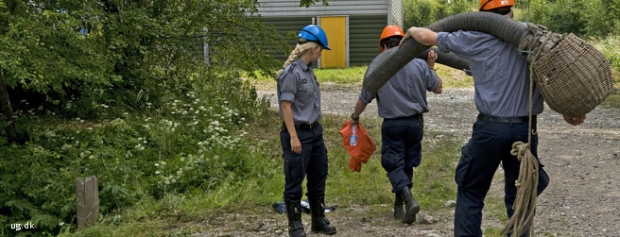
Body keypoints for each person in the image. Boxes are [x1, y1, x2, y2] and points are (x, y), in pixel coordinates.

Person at [400, 0, 587, 236]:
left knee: (471, 190)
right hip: (524, 131)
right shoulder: (534, 41)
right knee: (521, 196)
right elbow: (550, 81)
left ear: (481, 17)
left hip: (489, 129)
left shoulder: (475, 39)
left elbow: (428, 37)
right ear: (512, 12)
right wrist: (568, 110)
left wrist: (411, 30)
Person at [350, 25, 443, 224]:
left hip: (393, 124)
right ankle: (399, 206)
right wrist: (430, 67)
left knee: (393, 163)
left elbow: (364, 98)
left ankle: (408, 201)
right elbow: (438, 88)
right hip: (415, 123)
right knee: (408, 163)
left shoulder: (379, 69)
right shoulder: (419, 65)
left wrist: (355, 117)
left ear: (383, 46)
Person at [276, 25, 337, 237]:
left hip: (314, 133)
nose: (321, 55)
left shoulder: (309, 72)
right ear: (313, 49)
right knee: (294, 180)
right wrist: (293, 136)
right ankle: (295, 225)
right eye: (321, 50)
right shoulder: (291, 74)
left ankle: (318, 219)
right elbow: (285, 106)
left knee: (318, 176)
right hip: (298, 133)